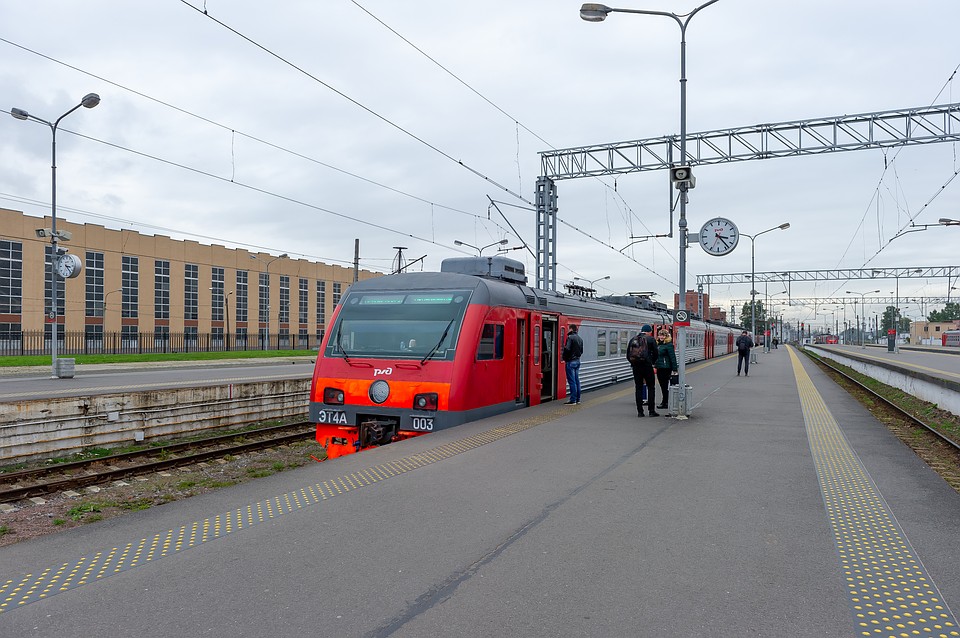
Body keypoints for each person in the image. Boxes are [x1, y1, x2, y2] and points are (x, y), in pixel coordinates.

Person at [628, 324, 659, 417]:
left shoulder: (633, 339)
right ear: (649, 331)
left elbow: (628, 355)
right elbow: (656, 353)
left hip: (636, 367)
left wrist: (634, 363)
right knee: (651, 387)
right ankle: (651, 411)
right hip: (647, 366)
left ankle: (640, 412)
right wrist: (652, 362)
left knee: (638, 388)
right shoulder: (650, 339)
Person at [654, 328, 678, 411]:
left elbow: (672, 357)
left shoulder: (669, 345)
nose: (661, 336)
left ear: (666, 336)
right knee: (662, 386)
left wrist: (675, 369)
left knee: (665, 386)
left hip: (666, 368)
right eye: (660, 335)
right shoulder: (658, 345)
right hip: (660, 367)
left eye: (663, 335)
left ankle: (665, 402)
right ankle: (664, 402)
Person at [562, 324, 584, 404]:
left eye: (568, 329)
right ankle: (578, 399)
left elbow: (567, 349)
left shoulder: (570, 338)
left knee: (572, 381)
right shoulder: (580, 339)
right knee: (576, 380)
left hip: (570, 361)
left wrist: (564, 358)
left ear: (571, 329)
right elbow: (581, 351)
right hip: (577, 361)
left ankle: (573, 400)